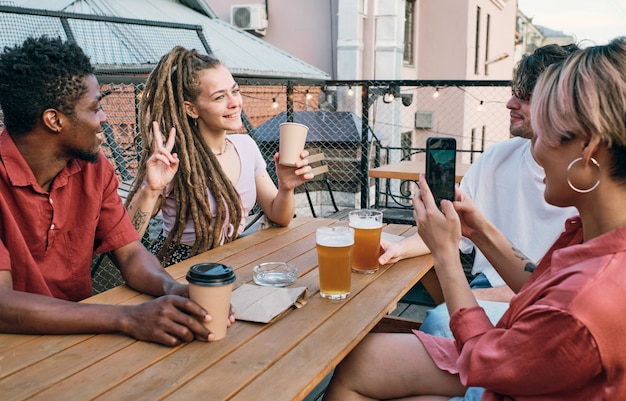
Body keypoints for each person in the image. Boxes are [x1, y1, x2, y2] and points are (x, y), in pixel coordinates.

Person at [324, 36, 626, 400]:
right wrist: (478, 230)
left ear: (589, 150)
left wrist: (446, 254)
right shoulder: (592, 235)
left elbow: (488, 365)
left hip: (504, 373)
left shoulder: (584, 306)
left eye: (545, 129)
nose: (536, 149)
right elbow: (538, 284)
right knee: (360, 362)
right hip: (523, 361)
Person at [0, 35, 232, 347]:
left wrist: (174, 291)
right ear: (54, 120)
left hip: (78, 340)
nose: (104, 118)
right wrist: (127, 317)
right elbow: (2, 305)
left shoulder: (94, 169)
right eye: (95, 108)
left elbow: (132, 253)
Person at [379, 43, 580, 337]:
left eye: (525, 97)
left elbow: (565, 293)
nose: (510, 103)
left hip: (543, 302)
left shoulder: (584, 187)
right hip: (494, 287)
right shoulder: (498, 157)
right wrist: (398, 248)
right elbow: (455, 229)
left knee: (438, 322)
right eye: (514, 92)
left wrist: (464, 300)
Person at [125, 46, 313, 266]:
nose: (234, 102)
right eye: (219, 97)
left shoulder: (246, 146)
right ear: (191, 109)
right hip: (181, 269)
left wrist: (286, 187)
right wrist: (151, 189)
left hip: (232, 260)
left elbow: (279, 216)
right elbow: (127, 240)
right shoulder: (175, 160)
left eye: (234, 91)